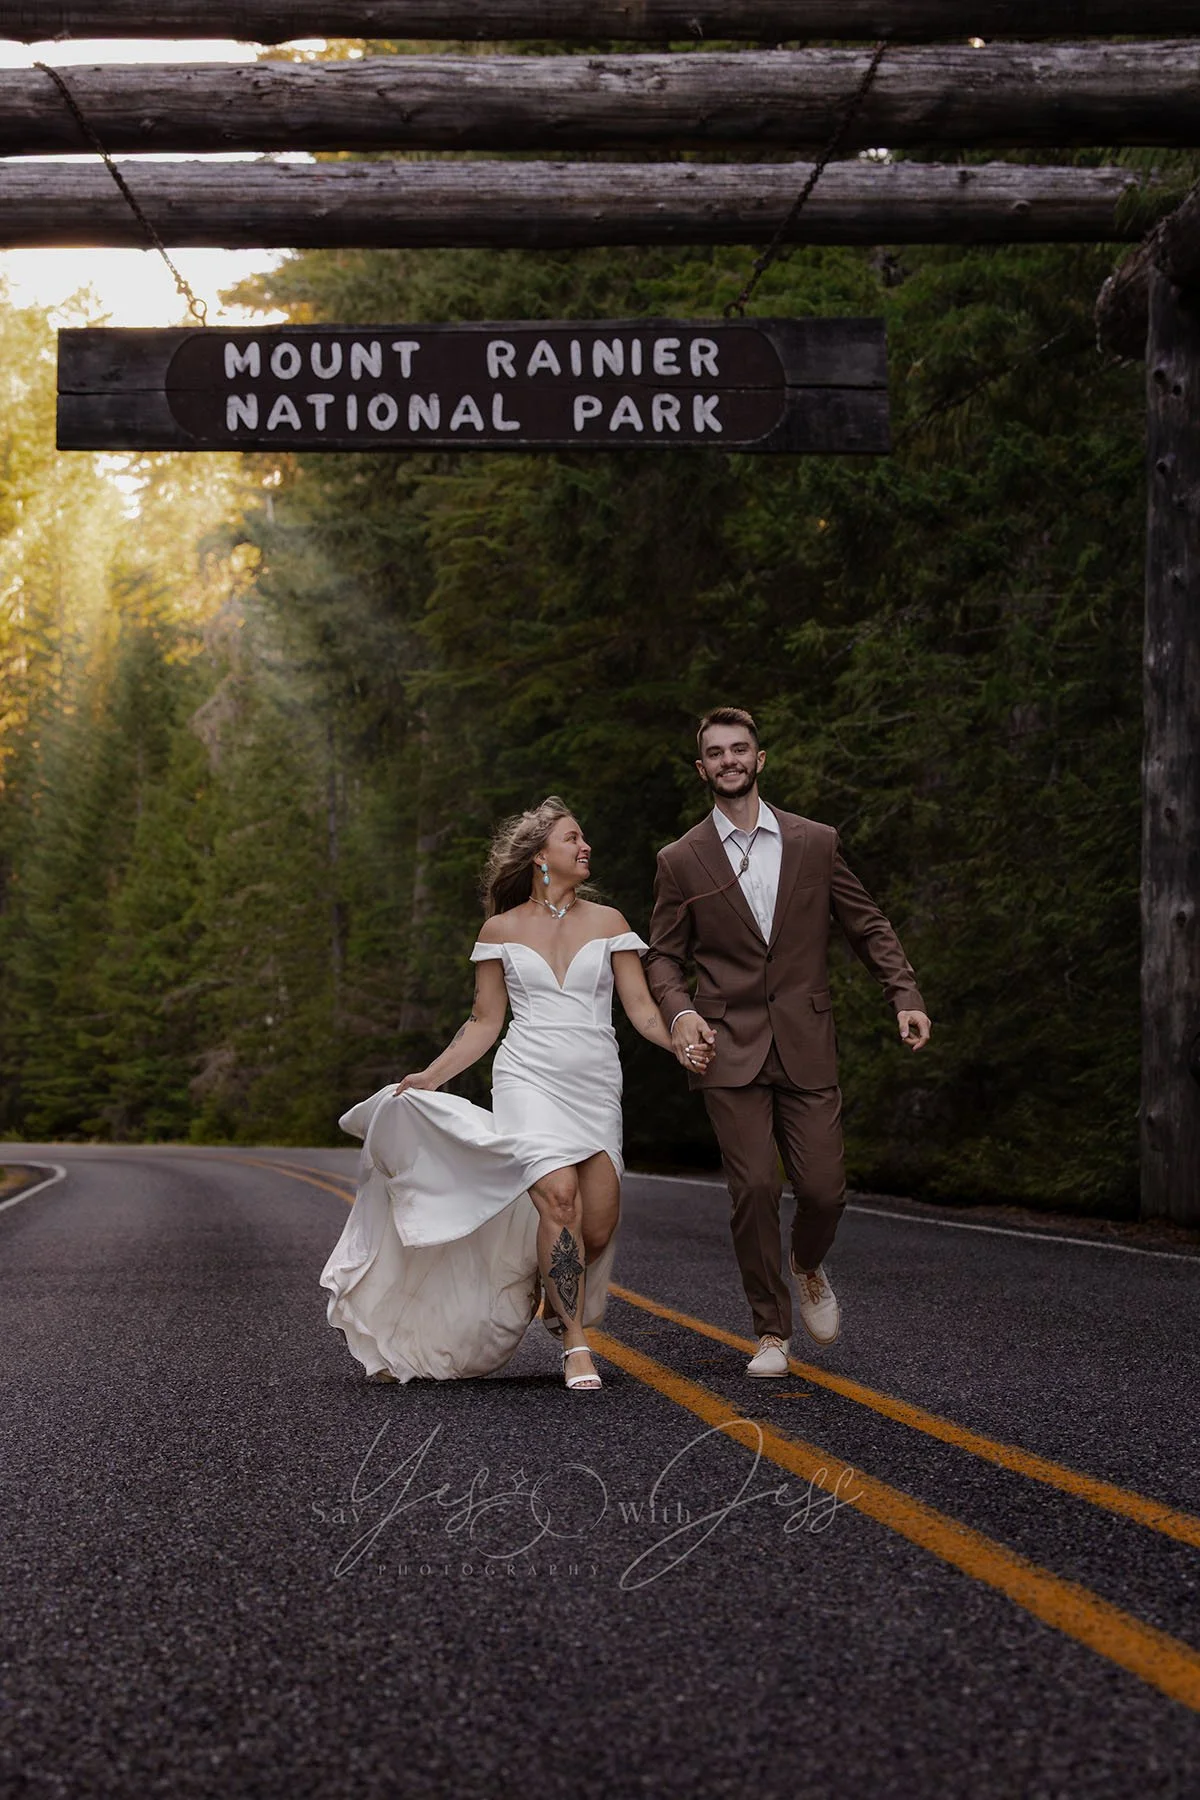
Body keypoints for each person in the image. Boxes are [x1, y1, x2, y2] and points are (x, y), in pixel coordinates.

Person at [320, 796, 699, 1392]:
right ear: (541, 855)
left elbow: (643, 1012)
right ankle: (576, 1342)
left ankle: (551, 1286)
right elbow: (483, 1023)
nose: (585, 847)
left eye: (583, 838)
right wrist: (431, 1075)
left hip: (595, 1082)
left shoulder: (611, 924)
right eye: (573, 838)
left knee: (597, 1227)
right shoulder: (499, 931)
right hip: (528, 1079)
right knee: (559, 1196)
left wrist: (679, 1042)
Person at [645, 707, 931, 1377]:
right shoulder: (681, 860)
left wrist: (905, 994)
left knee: (825, 1190)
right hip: (727, 1044)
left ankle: (806, 1264)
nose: (728, 761)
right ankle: (770, 1332)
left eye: (739, 749)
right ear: (702, 768)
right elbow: (662, 957)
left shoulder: (814, 842)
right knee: (753, 1189)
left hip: (807, 1038)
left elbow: (868, 924)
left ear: (760, 758)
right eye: (715, 753)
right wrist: (681, 1013)